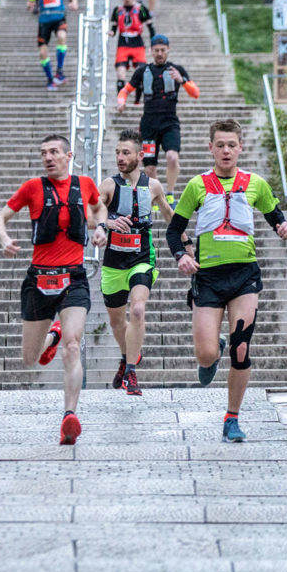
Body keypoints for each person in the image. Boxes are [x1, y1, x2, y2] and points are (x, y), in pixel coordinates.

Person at [166, 118, 287, 443]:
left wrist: (283, 228)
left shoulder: (256, 184)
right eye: (220, 145)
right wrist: (182, 255)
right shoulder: (197, 185)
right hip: (207, 278)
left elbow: (276, 218)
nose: (226, 150)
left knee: (241, 347)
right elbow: (172, 229)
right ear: (210, 147)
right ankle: (214, 350)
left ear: (241, 147)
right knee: (207, 355)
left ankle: (232, 418)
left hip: (244, 276)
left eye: (232, 145)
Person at [0, 135, 108, 444]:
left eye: (54, 152)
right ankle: (52, 334)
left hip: (74, 278)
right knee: (30, 357)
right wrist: (4, 240)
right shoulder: (32, 188)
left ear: (69, 155)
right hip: (38, 280)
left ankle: (69, 416)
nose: (48, 157)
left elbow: (99, 211)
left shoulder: (84, 184)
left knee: (73, 346)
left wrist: (102, 230)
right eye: (43, 153)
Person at [98, 129, 191, 395]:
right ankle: (127, 355)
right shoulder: (107, 185)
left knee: (137, 310)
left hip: (142, 258)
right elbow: (92, 214)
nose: (120, 157)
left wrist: (186, 243)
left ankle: (130, 372)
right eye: (117, 152)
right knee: (117, 323)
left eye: (125, 152)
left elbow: (169, 215)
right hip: (114, 262)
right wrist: (108, 223)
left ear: (140, 155)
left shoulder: (153, 186)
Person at [116, 34, 199, 208]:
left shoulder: (177, 70)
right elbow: (125, 90)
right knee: (150, 168)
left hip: (170, 123)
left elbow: (195, 93)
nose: (160, 53)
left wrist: (181, 80)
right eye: (156, 51)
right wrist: (121, 101)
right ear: (151, 52)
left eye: (163, 50)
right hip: (149, 124)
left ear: (168, 50)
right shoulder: (142, 71)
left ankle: (169, 194)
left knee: (172, 157)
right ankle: (155, 197)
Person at [27, 0, 78, 91]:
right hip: (44, 20)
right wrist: (30, 5)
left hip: (59, 17)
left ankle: (59, 71)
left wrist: (74, 3)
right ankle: (50, 79)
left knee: (62, 36)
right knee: (43, 52)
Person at [109, 0, 154, 95]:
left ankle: (138, 100)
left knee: (141, 72)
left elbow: (150, 27)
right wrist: (111, 32)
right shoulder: (117, 10)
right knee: (120, 73)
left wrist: (153, 44)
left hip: (137, 42)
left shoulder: (141, 9)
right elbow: (114, 27)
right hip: (123, 42)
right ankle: (121, 99)